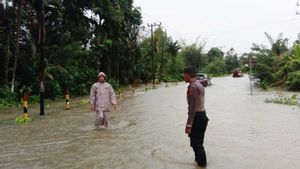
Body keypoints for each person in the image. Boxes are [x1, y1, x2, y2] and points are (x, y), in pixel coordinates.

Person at [183, 67, 209, 167]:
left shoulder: (193, 87)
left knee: (196, 143)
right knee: (198, 142)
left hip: (197, 118)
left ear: (187, 75)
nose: (183, 77)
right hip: (202, 116)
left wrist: (189, 124)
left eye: (184, 74)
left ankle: (202, 164)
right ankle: (199, 163)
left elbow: (192, 107)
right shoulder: (199, 84)